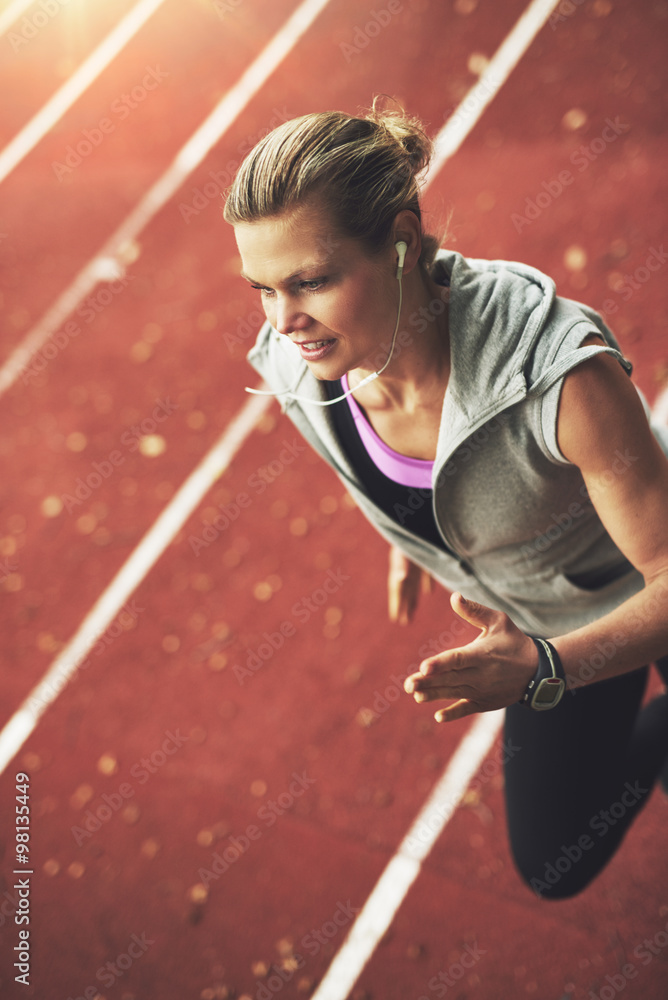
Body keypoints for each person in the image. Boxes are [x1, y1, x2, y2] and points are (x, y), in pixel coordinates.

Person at [223, 99, 668, 898]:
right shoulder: (297, 366)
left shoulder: (560, 378)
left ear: (399, 243)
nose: (284, 321)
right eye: (261, 288)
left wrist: (544, 667)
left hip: (639, 582)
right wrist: (417, 537)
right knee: (555, 858)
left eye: (311, 282)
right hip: (542, 611)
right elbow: (397, 473)